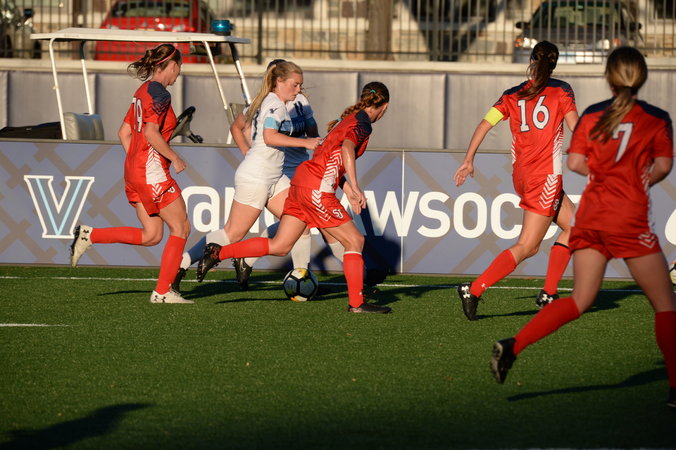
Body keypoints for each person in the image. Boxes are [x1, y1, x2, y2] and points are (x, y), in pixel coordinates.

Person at [490, 46, 676, 408]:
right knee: (665, 304)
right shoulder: (656, 118)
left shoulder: (593, 114)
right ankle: (674, 389)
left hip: (592, 217)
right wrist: (634, 180)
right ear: (642, 77)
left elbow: (575, 163)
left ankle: (514, 344)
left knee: (579, 300)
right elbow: (664, 167)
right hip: (629, 219)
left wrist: (604, 175)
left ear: (609, 79)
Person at [197, 82, 392, 314]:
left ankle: (217, 252)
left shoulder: (347, 119)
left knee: (280, 246)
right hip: (316, 189)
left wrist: (347, 188)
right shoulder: (362, 123)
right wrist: (356, 186)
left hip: (301, 183)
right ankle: (357, 304)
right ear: (385, 106)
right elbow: (347, 148)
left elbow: (327, 155)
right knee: (355, 241)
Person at [453, 40, 579, 320]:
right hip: (544, 177)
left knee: (577, 228)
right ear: (554, 65)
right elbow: (576, 128)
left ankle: (549, 293)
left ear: (531, 60)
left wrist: (468, 159)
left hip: (522, 176)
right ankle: (474, 289)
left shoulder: (511, 94)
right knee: (528, 246)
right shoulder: (562, 90)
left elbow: (484, 124)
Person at [170, 60, 320, 293]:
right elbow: (269, 136)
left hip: (274, 176)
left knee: (300, 221)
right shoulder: (275, 104)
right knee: (231, 234)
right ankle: (179, 266)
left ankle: (300, 275)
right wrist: (306, 143)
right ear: (279, 81)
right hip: (258, 177)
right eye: (295, 84)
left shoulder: (274, 101)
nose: (299, 90)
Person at [69, 44, 192, 303]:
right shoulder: (161, 94)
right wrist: (174, 157)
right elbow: (150, 133)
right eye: (179, 67)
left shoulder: (142, 91)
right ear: (171, 65)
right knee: (181, 228)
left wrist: (137, 162)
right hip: (151, 172)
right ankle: (162, 292)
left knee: (152, 235)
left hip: (134, 171)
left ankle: (90, 235)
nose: (179, 72)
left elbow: (123, 133)